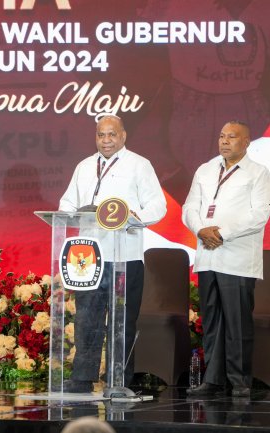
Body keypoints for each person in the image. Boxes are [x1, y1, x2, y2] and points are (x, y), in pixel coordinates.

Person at [59, 115, 167, 393]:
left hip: (125, 256)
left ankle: (118, 380)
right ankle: (82, 378)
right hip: (88, 256)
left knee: (123, 320)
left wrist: (133, 216)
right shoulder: (84, 166)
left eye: (111, 135)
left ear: (123, 136)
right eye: (100, 135)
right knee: (86, 319)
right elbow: (67, 202)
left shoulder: (139, 165)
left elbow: (158, 205)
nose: (106, 140)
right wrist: (69, 213)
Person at [182, 120, 270, 398]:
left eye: (231, 137)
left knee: (237, 322)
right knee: (212, 322)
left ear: (246, 142)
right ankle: (213, 379)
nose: (224, 141)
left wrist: (222, 234)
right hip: (208, 257)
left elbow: (259, 214)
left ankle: (240, 380)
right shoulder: (205, 169)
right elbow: (189, 207)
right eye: (221, 136)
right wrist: (200, 229)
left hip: (237, 258)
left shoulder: (258, 173)